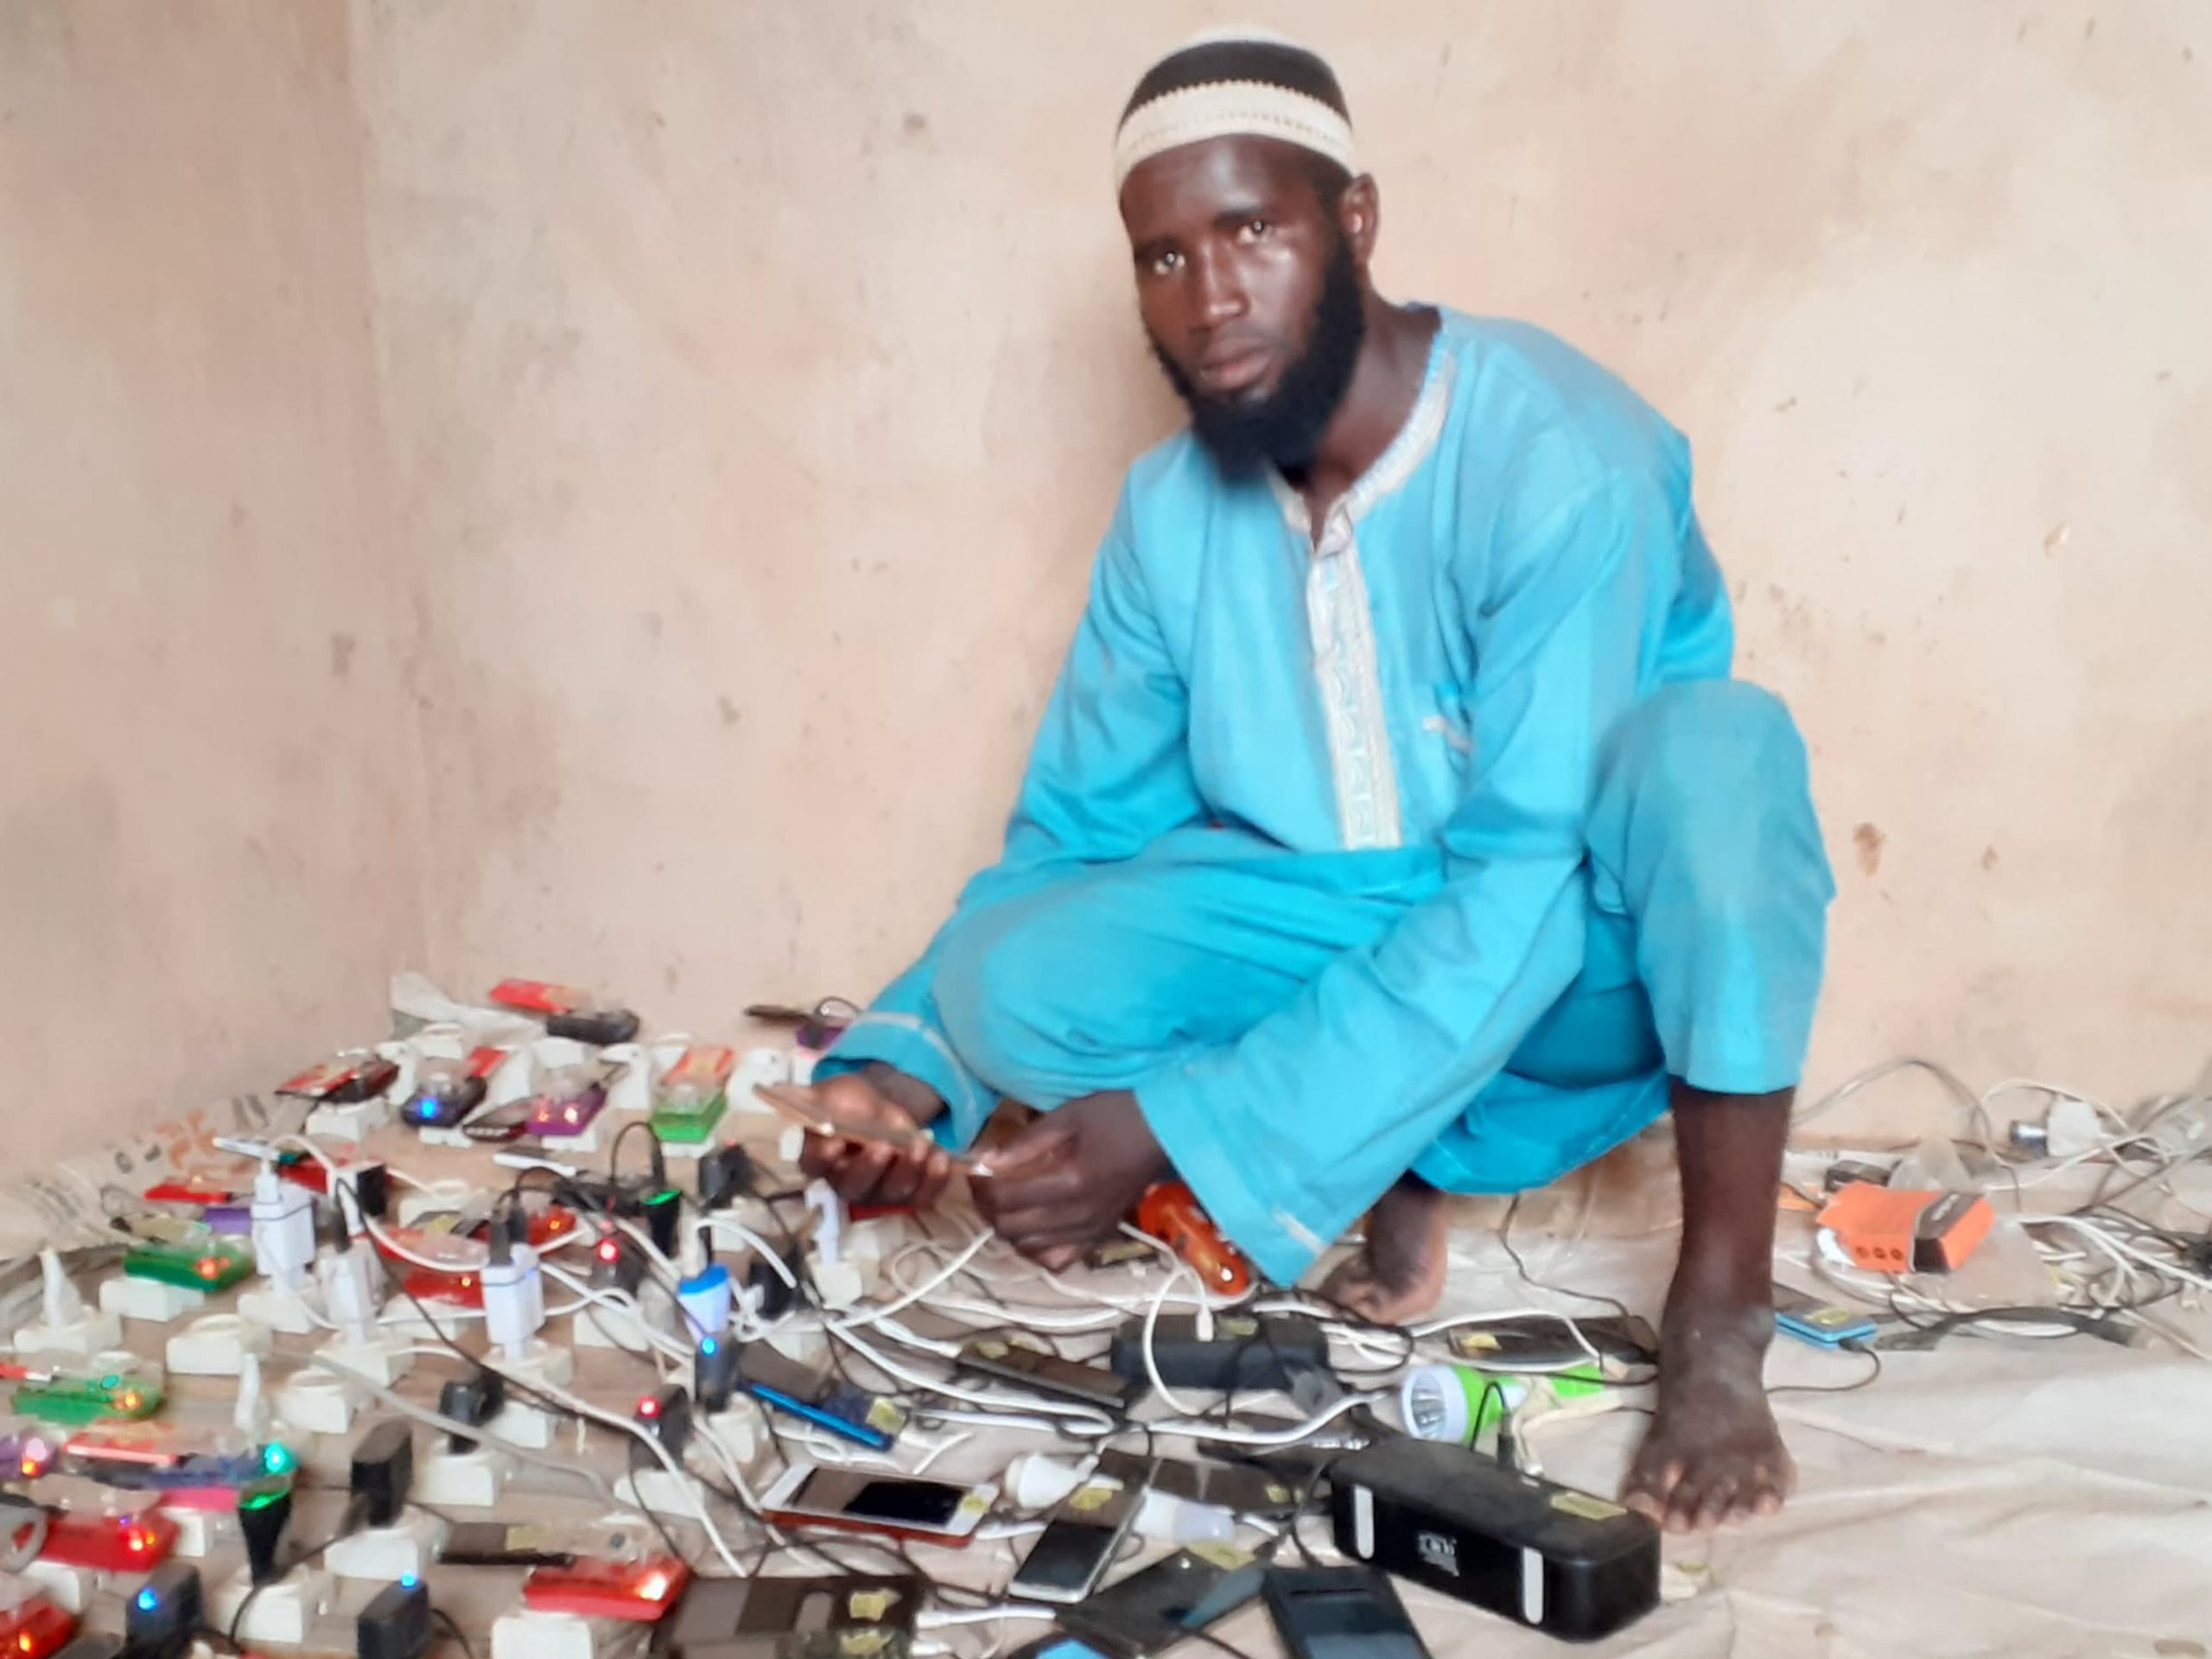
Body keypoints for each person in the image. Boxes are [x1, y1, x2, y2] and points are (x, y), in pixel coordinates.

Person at [800, 31, 1834, 1533]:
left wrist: (1176, 1130)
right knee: (1013, 982)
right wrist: (908, 1068)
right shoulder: (1168, 514)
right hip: (1354, 927)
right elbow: (1076, 833)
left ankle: (1722, 1311)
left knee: (1720, 762)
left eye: (1251, 231)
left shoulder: (1559, 452)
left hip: (1577, 961)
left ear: (1353, 221)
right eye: (1161, 255)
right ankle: (1390, 1150)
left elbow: (1525, 888)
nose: (1207, 298)